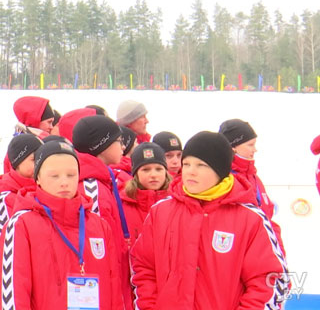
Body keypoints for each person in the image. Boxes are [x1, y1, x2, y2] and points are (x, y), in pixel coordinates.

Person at [130, 132, 289, 309]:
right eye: (187, 163)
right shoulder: (160, 212)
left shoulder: (250, 218)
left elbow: (269, 280)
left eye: (201, 165)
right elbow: (144, 270)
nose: (191, 170)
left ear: (219, 170)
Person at [0, 140, 122, 309]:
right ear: (38, 178)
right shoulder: (22, 224)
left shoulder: (99, 225)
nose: (64, 182)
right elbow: (13, 292)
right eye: (54, 176)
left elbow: (114, 285)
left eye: (70, 175)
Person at [72, 115, 132, 310]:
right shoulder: (91, 187)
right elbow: (95, 251)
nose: (123, 147)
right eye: (118, 141)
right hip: (102, 287)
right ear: (102, 145)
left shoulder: (101, 179)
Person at [0, 134, 42, 271]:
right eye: (34, 159)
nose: (39, 163)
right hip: (17, 276)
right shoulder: (4, 200)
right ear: (18, 162)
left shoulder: (42, 189)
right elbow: (2, 247)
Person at [120, 143, 172, 244]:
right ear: (135, 174)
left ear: (166, 171)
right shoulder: (122, 205)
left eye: (158, 169)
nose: (153, 175)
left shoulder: (176, 202)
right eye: (146, 169)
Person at [3, 97, 60, 173]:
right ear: (36, 120)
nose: (51, 127)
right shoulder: (22, 147)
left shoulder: (17, 141)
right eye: (49, 122)